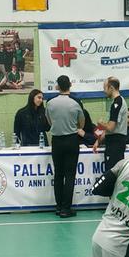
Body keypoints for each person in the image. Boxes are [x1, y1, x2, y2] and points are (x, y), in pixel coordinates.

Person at [46, 75, 86, 218]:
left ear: (57, 86)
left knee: (58, 174)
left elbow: (49, 121)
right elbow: (82, 123)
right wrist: (72, 126)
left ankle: (58, 207)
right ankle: (66, 208)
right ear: (70, 85)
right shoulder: (76, 102)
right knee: (69, 175)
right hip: (71, 140)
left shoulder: (50, 103)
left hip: (57, 141)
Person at [94, 77, 128, 171]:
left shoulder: (117, 103)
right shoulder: (116, 102)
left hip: (115, 143)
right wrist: (98, 141)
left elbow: (110, 127)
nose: (104, 91)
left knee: (111, 172)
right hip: (114, 142)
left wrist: (101, 123)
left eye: (105, 88)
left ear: (111, 88)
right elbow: (110, 129)